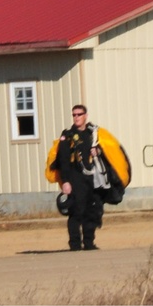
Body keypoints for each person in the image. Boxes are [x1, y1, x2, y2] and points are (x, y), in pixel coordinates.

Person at [52, 105, 122, 252]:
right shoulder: (68, 136)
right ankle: (75, 245)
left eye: (79, 114)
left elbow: (107, 154)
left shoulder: (94, 134)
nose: (76, 117)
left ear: (86, 115)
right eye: (74, 115)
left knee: (93, 210)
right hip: (75, 178)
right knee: (76, 212)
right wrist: (65, 182)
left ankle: (89, 243)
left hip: (93, 179)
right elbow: (63, 160)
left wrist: (98, 151)